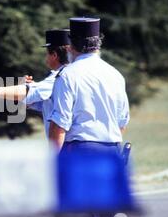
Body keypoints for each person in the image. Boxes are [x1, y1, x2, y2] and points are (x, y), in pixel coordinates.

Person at [47, 17, 130, 154]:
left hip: (78, 152)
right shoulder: (116, 75)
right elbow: (122, 122)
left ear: (71, 46)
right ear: (98, 45)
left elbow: (59, 125)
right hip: (111, 151)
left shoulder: (67, 75)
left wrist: (52, 161)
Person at [0, 29, 70, 136]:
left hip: (70, 147)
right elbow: (42, 103)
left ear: (54, 55)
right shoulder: (67, 75)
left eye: (47, 54)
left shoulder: (60, 77)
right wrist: (25, 89)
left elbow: (28, 93)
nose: (46, 58)